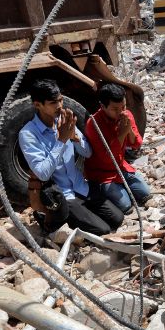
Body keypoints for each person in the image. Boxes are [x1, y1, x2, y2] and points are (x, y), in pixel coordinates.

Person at [19, 79, 124, 235]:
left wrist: (75, 137)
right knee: (103, 229)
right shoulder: (28, 134)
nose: (60, 106)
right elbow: (42, 173)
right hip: (62, 195)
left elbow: (87, 153)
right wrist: (61, 140)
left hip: (81, 187)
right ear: (37, 105)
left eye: (61, 100)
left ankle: (81, 214)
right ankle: (58, 220)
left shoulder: (64, 121)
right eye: (53, 102)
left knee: (118, 218)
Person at [85, 83, 151, 214]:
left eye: (124, 106)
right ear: (103, 106)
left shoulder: (126, 115)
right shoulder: (93, 124)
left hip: (121, 167)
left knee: (145, 194)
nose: (121, 112)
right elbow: (107, 158)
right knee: (126, 206)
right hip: (102, 172)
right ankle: (104, 189)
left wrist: (129, 131)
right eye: (115, 109)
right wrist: (121, 134)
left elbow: (136, 144)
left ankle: (122, 187)